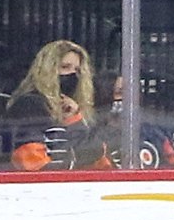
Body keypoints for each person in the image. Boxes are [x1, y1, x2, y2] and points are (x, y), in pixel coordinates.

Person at [7, 40, 111, 172]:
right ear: (48, 69)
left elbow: (101, 164)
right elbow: (32, 165)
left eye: (77, 71)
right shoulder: (29, 106)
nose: (73, 75)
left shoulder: (77, 111)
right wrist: (80, 158)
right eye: (65, 67)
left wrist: (75, 120)